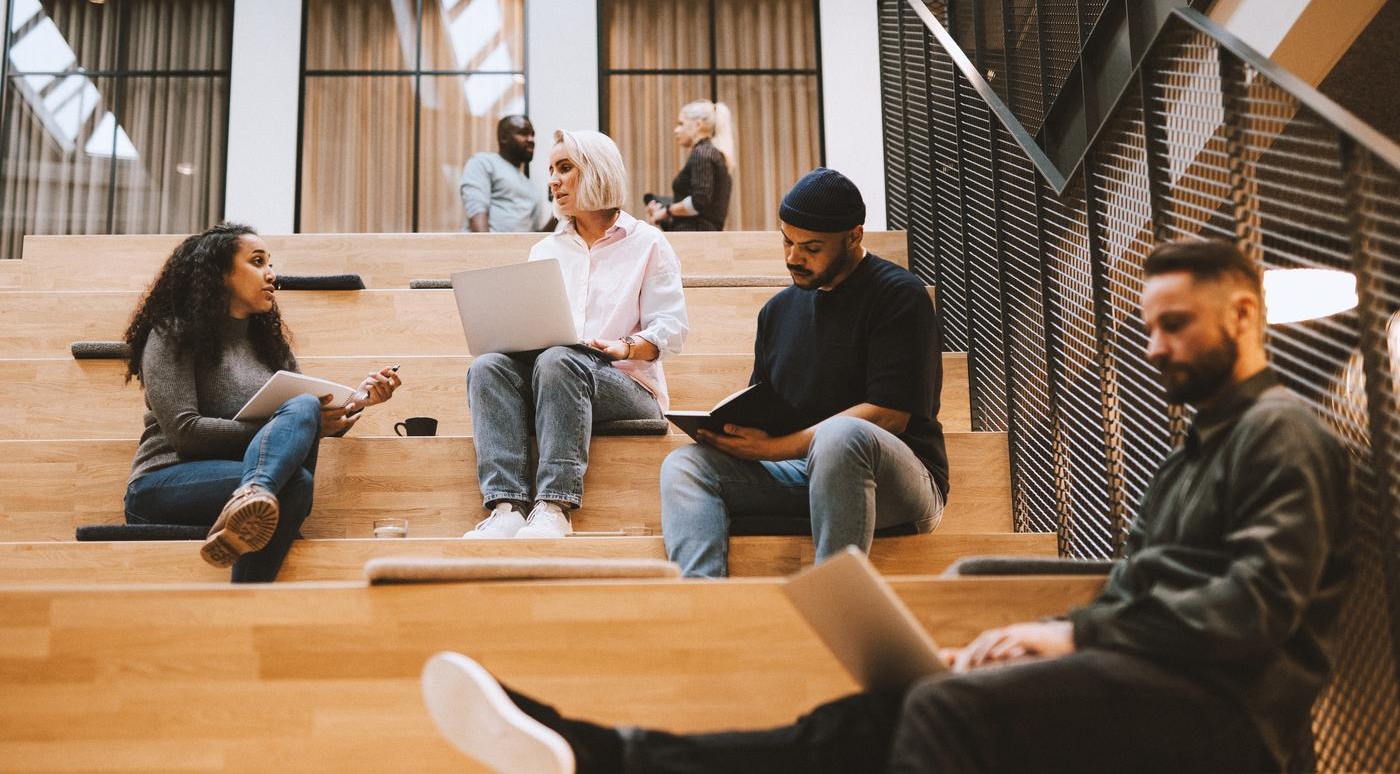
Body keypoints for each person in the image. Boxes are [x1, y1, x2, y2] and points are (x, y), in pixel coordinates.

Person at [420, 240, 1353, 774]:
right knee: (874, 715)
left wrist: (1073, 640)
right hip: (1155, 677)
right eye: (1146, 325)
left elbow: (1250, 611)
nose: (1154, 346)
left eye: (1175, 324)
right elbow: (1138, 594)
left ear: (1243, 316)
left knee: (944, 717)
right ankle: (605, 754)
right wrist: (1040, 632)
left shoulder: (1282, 436)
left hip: (1231, 719)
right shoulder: (1196, 452)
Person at [660, 167, 947, 577]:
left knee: (841, 436)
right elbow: (762, 404)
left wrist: (773, 449)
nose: (794, 257)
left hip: (899, 482)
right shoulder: (777, 312)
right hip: (806, 474)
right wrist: (734, 435)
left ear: (854, 237)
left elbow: (889, 416)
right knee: (684, 466)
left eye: (812, 247)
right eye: (787, 241)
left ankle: (832, 598)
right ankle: (706, 602)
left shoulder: (898, 295)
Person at [122, 224, 402, 583]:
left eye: (271, 263)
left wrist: (356, 401)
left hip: (250, 481)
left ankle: (249, 538)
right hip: (162, 484)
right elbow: (184, 433)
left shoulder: (268, 345)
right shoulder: (172, 333)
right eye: (258, 262)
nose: (272, 274)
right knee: (300, 424)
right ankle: (254, 498)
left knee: (299, 468)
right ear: (219, 273)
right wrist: (297, 421)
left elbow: (303, 418)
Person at [462, 129, 688, 540]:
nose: (552, 180)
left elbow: (671, 329)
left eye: (565, 168)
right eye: (550, 170)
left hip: (627, 386)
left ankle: (554, 506)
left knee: (559, 360)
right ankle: (507, 506)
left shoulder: (649, 243)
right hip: (555, 375)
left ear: (598, 172)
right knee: (488, 366)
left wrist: (626, 345)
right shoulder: (546, 250)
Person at [645, 100, 735, 232]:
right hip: (701, 235)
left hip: (696, 239)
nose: (676, 130)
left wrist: (667, 211)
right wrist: (664, 211)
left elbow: (699, 201)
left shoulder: (702, 153)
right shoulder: (712, 153)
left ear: (698, 124)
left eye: (681, 124)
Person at [459, 114, 554, 232]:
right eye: (523, 133)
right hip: (485, 249)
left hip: (520, 250)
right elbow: (476, 212)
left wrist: (558, 208)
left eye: (532, 135)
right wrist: (486, 250)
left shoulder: (533, 189)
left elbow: (535, 239)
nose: (531, 140)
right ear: (503, 137)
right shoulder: (483, 163)